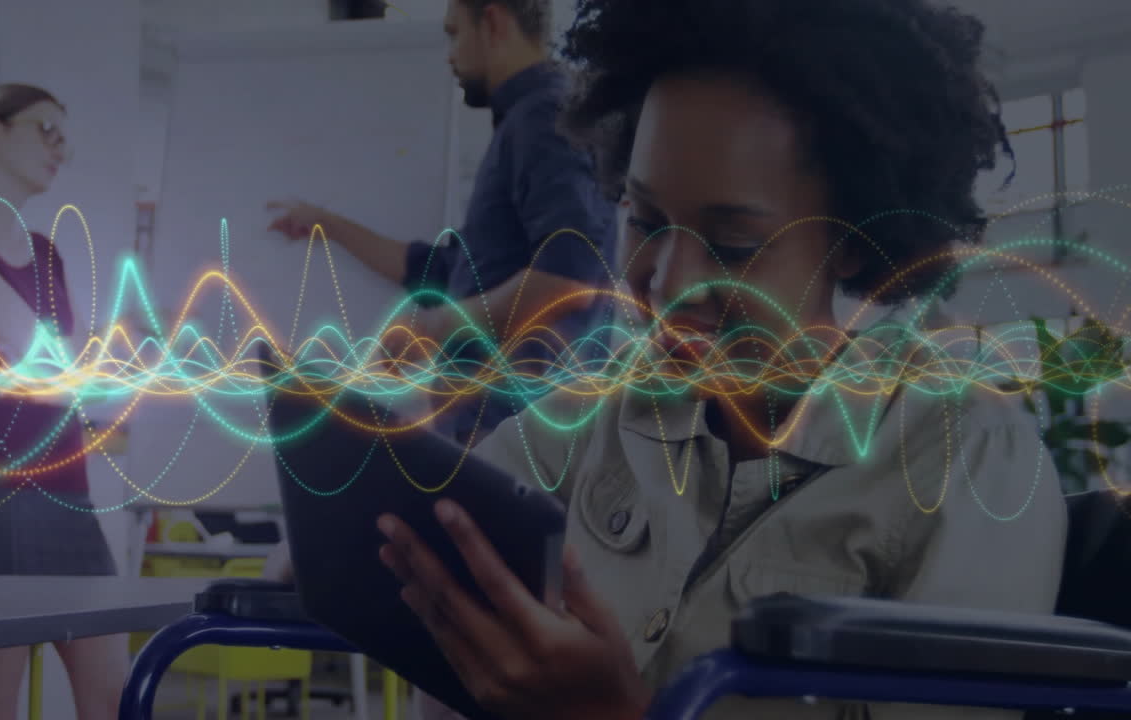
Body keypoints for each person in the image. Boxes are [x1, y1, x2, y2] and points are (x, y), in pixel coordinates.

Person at [364, 0, 1070, 719]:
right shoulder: (598, 411)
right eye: (644, 220)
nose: (667, 285)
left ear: (853, 239)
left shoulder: (969, 462)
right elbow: (447, 512)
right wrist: (363, 543)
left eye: (733, 245)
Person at [268, 0, 616, 447]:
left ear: (491, 22)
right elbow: (439, 271)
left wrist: (434, 327)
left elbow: (569, 276)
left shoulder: (540, 118)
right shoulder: (523, 124)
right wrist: (328, 224)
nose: (450, 52)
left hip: (517, 436)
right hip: (491, 430)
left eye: (454, 33)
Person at [0, 83, 126, 720]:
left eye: (64, 135)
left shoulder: (45, 254)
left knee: (112, 696)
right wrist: (96, 361)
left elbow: (87, 373)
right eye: (45, 129)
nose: (60, 148)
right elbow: (40, 359)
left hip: (69, 492)